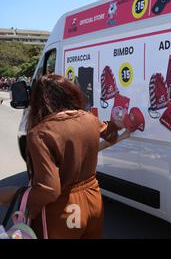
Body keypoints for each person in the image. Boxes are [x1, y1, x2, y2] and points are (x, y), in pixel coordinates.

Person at [0, 74, 130, 238]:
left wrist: (18, 195)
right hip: (93, 199)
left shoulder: (40, 134)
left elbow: (49, 190)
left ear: (39, 101)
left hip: (63, 209)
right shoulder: (89, 118)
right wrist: (117, 125)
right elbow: (109, 133)